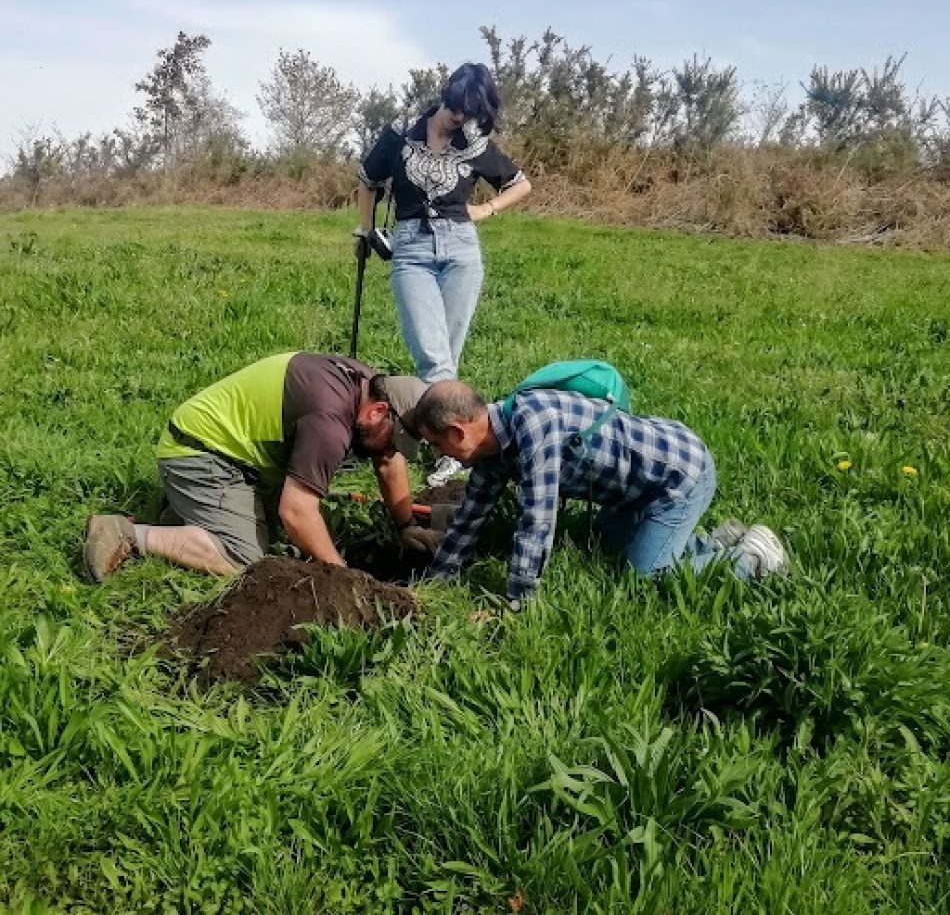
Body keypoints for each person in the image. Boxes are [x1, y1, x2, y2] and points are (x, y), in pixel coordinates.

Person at [411, 380, 788, 611]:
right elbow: (469, 519)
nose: (437, 454)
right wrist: (435, 585)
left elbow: (537, 521)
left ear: (458, 432)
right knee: (604, 545)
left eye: (435, 443)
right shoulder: (492, 448)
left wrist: (517, 602)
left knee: (648, 579)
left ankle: (752, 558)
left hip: (677, 476)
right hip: (631, 492)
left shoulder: (533, 424)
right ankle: (709, 544)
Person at [83, 352, 441, 582]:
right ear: (378, 412)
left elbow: (387, 459)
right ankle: (126, 534)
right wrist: (343, 578)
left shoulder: (365, 386)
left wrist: (406, 525)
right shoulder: (330, 420)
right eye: (394, 438)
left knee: (288, 540)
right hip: (200, 454)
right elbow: (297, 511)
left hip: (230, 451)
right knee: (244, 558)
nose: (393, 450)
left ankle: (183, 516)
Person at [355, 62, 531, 488]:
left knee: (448, 356)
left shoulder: (473, 142)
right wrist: (365, 229)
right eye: (457, 108)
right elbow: (367, 180)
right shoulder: (402, 135)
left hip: (462, 250)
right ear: (447, 95)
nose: (460, 118)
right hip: (411, 250)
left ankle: (454, 444)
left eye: (471, 113)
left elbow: (520, 184)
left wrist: (485, 210)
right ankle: (456, 449)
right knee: (434, 358)